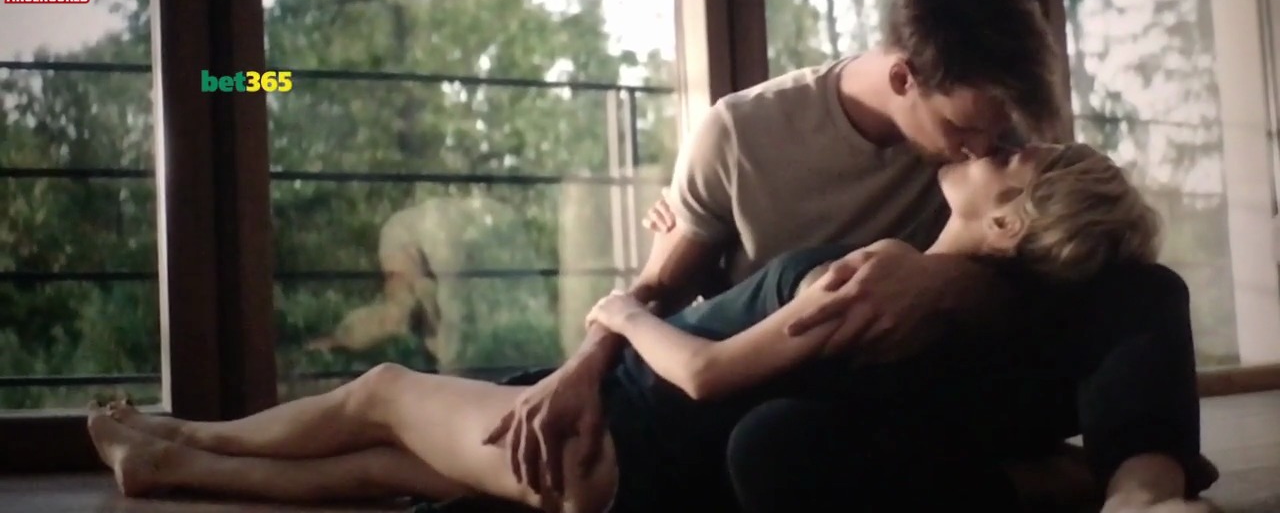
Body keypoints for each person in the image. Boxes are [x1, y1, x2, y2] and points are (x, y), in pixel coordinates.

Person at [88, 142, 1163, 513]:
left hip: (617, 435)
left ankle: (190, 433)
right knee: (389, 464)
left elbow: (706, 374)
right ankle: (171, 459)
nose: (989, 144)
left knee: (380, 391)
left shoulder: (886, 280)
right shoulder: (940, 303)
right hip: (627, 456)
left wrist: (621, 309)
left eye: (1009, 159)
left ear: (1010, 221)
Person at [480, 0, 1216, 511]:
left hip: (957, 366)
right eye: (966, 131)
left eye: (999, 135)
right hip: (825, 391)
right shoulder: (739, 135)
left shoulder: (991, 135)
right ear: (904, 77)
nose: (986, 145)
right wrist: (581, 365)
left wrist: (944, 283)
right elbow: (660, 299)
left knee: (1142, 288)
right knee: (769, 444)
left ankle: (1143, 488)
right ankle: (1042, 482)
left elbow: (1053, 239)